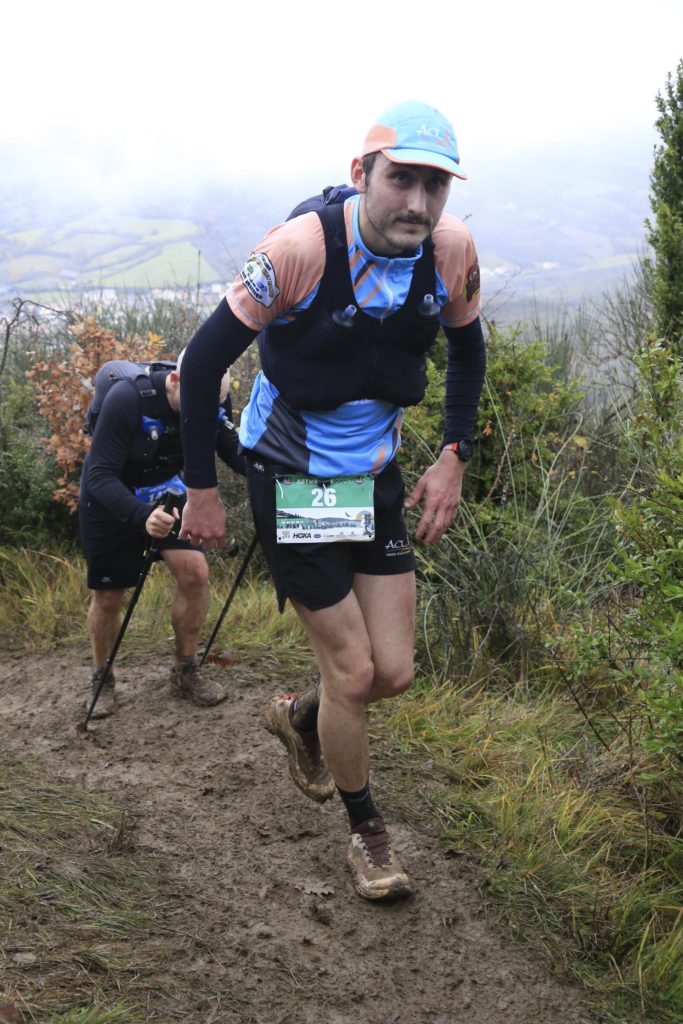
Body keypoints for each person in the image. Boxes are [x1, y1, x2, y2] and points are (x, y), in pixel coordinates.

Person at [178, 100, 486, 901]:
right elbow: (201, 364)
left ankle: (298, 715)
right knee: (353, 672)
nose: (416, 202)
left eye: (434, 186)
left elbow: (467, 352)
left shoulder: (450, 251)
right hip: (292, 476)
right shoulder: (299, 249)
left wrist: (452, 454)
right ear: (361, 173)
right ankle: (367, 835)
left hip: (373, 476)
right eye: (400, 180)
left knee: (394, 671)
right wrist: (202, 490)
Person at [79, 349, 245, 718]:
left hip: (166, 490)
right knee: (109, 595)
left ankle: (185, 671)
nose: (201, 414)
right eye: (195, 404)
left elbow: (237, 455)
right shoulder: (128, 399)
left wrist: (286, 471)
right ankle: (102, 676)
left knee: (195, 572)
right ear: (174, 381)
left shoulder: (212, 397)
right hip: (112, 496)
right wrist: (142, 516)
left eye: (210, 407)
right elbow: (99, 475)